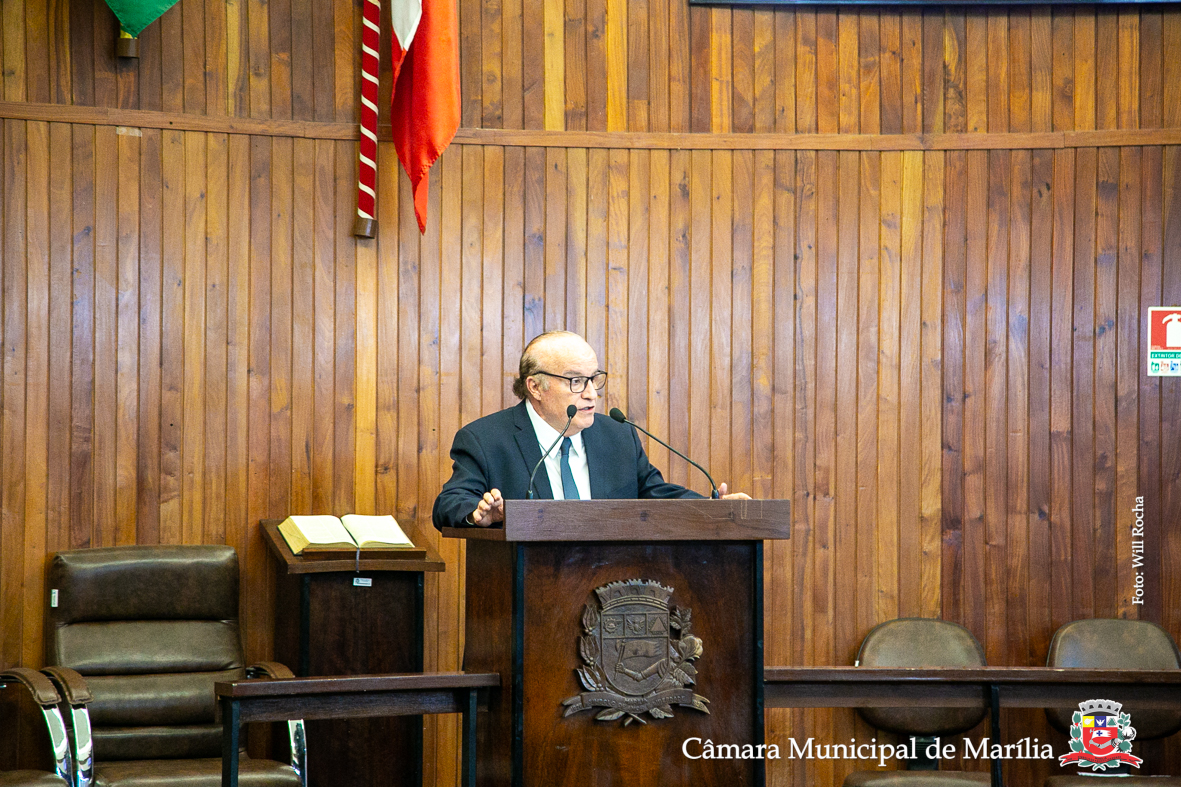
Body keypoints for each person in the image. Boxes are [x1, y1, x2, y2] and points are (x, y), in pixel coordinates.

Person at [431, 330, 750, 529]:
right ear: (535, 387)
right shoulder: (486, 440)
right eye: (575, 381)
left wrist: (711, 509)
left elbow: (654, 493)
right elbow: (450, 502)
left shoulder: (617, 435)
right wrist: (481, 514)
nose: (591, 394)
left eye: (594, 379)